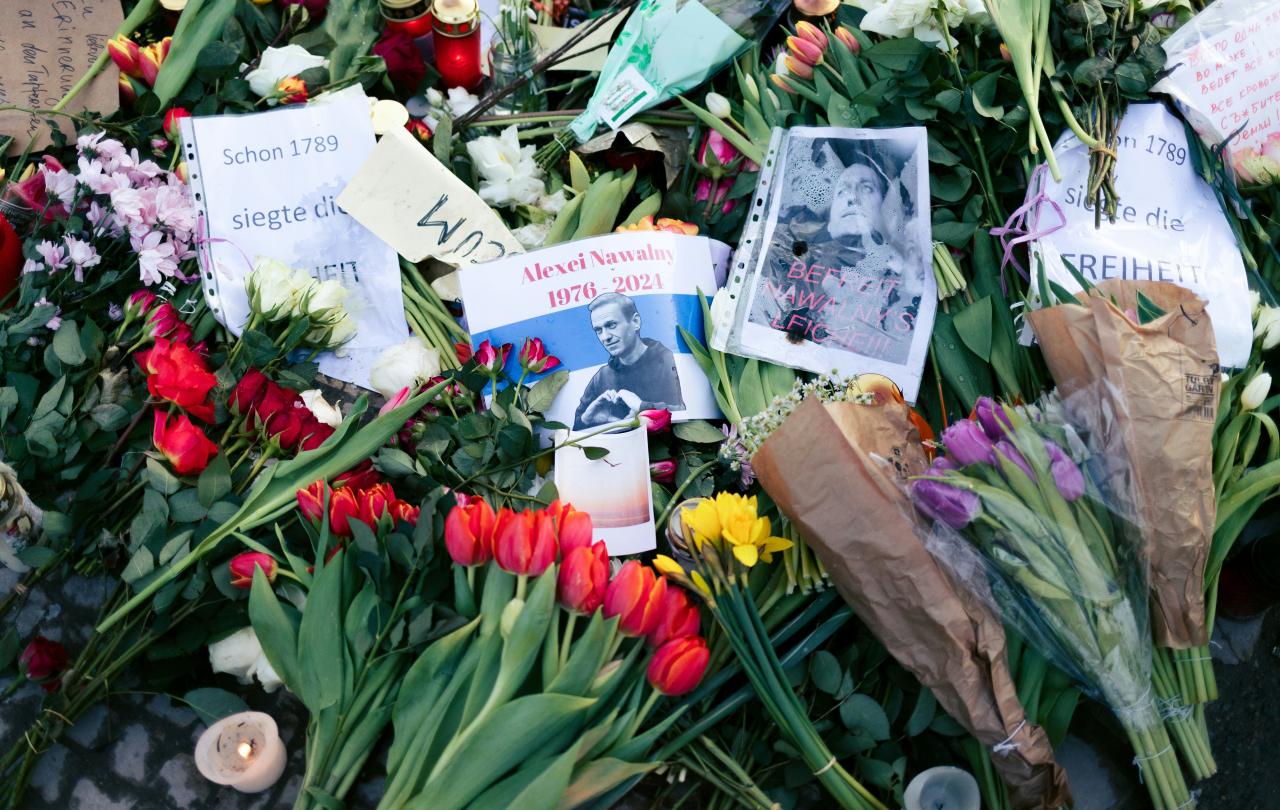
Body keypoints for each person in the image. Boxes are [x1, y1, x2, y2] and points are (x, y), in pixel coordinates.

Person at [751, 138, 921, 364]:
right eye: (842, 192)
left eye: (867, 188)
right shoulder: (788, 258)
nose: (853, 198)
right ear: (830, 218)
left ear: (885, 205)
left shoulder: (906, 275)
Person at [574, 292, 684, 430]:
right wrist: (587, 419)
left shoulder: (669, 360)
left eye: (611, 325)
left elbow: (692, 411)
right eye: (598, 330)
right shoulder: (601, 378)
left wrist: (641, 406)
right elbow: (574, 431)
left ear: (635, 322)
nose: (605, 337)